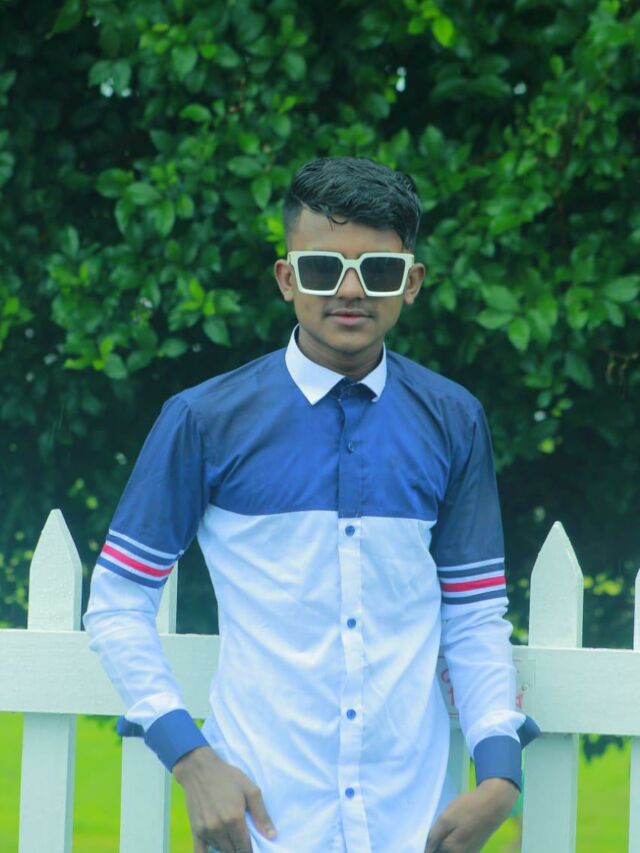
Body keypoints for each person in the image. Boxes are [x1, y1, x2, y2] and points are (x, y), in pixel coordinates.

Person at [84, 156, 537, 853]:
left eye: (378, 271)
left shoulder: (454, 419)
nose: (350, 291)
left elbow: (472, 614)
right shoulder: (204, 419)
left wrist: (501, 775)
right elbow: (117, 601)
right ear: (287, 278)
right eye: (324, 267)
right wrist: (192, 759)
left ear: (411, 283)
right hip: (262, 824)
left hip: (410, 823)